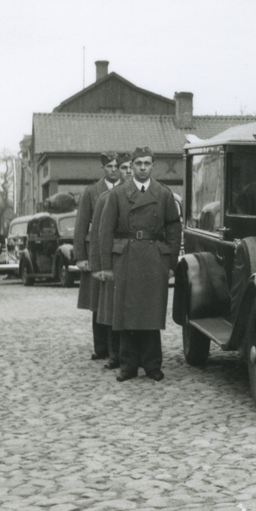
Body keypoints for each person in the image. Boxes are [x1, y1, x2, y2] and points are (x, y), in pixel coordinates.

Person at [96, 146, 181, 382]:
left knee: (151, 313)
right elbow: (105, 232)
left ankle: (153, 365)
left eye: (147, 163)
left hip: (154, 259)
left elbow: (174, 229)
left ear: (153, 165)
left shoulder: (163, 194)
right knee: (127, 313)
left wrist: (171, 262)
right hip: (126, 258)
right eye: (138, 163)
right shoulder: (117, 195)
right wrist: (106, 266)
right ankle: (128, 366)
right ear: (131, 166)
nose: (142, 168)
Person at [74, 152, 120, 361]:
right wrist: (81, 257)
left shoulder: (125, 189)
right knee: (97, 301)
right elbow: (81, 225)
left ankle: (117, 348)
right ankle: (101, 348)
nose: (114, 170)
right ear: (103, 168)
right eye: (109, 166)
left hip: (116, 252)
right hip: (95, 252)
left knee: (115, 301)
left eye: (116, 166)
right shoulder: (91, 192)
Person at [90, 153, 133, 369]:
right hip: (115, 260)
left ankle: (136, 354)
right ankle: (115, 354)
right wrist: (98, 266)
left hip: (137, 260)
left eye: (129, 167)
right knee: (113, 309)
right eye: (123, 168)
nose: (127, 171)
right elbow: (99, 236)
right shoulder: (105, 199)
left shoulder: (144, 195)